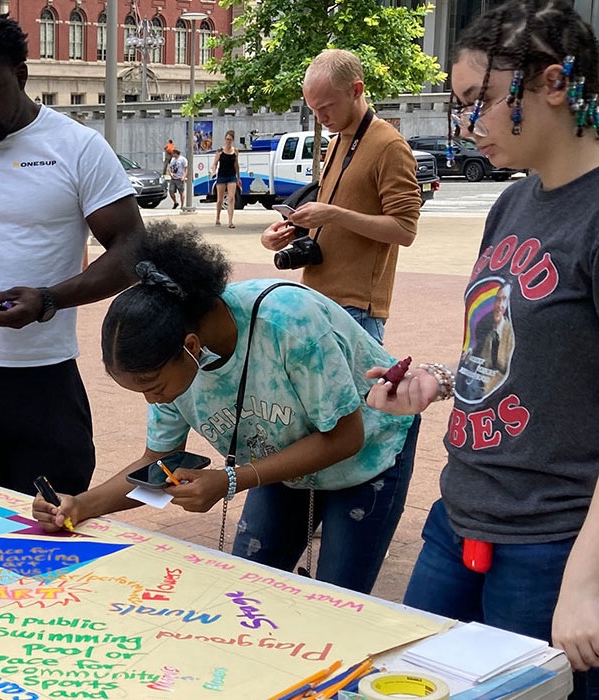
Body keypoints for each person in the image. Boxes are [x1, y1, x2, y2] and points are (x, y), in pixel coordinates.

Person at [366, 1, 599, 693]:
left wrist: (585, 586)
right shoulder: (512, 203)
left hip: (553, 547)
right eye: (460, 105)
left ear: (554, 84)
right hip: (459, 517)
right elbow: (498, 353)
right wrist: (436, 380)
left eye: (481, 102)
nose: (466, 124)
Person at [34, 221, 419, 595]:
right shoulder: (170, 357)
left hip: (370, 457)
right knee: (246, 590)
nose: (154, 400)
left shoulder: (287, 322)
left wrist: (231, 480)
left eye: (154, 387)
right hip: (282, 461)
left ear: (191, 346)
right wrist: (81, 505)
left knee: (339, 603)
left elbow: (345, 437)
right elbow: (158, 459)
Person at [0, 10, 144, 498]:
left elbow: (132, 248)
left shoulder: (78, 148)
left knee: (51, 532)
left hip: (43, 382)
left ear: (20, 75)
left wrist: (50, 299)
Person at [260, 49, 421, 344]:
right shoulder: (336, 143)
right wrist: (284, 233)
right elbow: (335, 214)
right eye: (313, 109)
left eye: (326, 107)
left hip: (356, 308)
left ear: (356, 90)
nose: (320, 118)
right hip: (317, 296)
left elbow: (405, 230)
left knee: (359, 393)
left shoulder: (389, 146)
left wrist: (335, 214)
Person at [212, 130, 240, 228]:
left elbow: (236, 165)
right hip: (222, 176)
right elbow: (215, 163)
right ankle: (218, 218)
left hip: (231, 176)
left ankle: (230, 221)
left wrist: (238, 177)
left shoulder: (235, 151)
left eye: (230, 139)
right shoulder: (220, 151)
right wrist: (213, 171)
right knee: (220, 199)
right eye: (227, 139)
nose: (228, 141)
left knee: (231, 198)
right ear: (225, 139)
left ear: (233, 140)